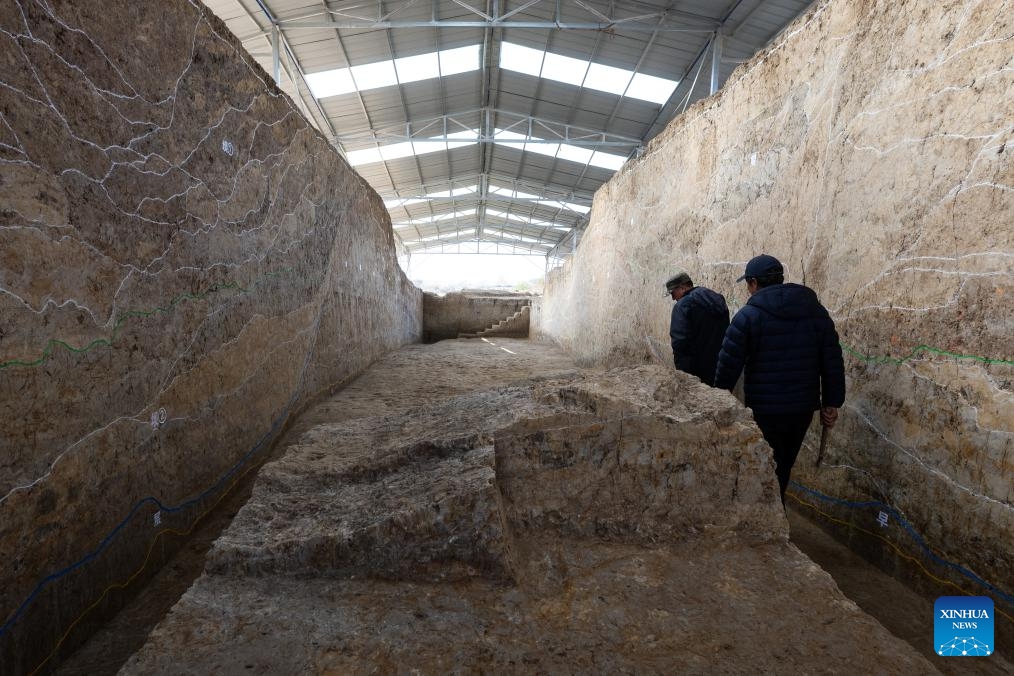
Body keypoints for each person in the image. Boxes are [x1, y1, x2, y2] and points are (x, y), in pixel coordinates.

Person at [713, 254, 845, 503]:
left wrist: (718, 396)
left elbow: (728, 362)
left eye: (748, 285)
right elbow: (832, 359)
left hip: (766, 409)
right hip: (802, 407)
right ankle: (777, 507)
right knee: (784, 464)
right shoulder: (816, 313)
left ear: (753, 283)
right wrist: (832, 402)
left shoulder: (748, 316)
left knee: (766, 465)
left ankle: (770, 513)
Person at [665, 271, 730, 384]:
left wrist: (682, 374)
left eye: (672, 293)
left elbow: (680, 343)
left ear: (682, 288)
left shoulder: (682, 306)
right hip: (720, 366)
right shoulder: (717, 299)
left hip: (696, 370)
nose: (673, 298)